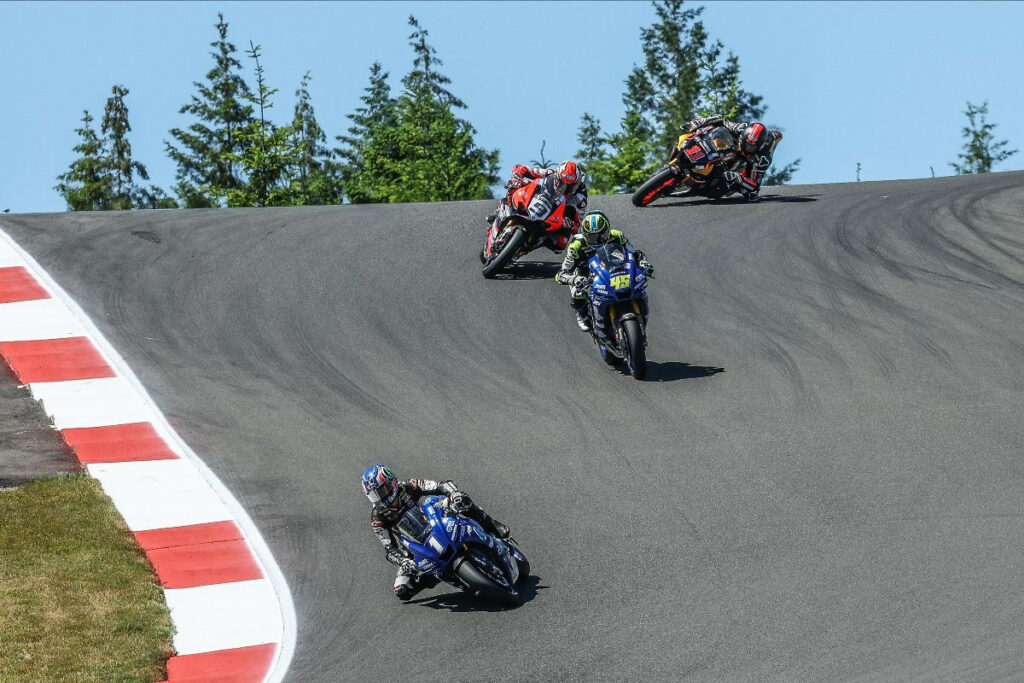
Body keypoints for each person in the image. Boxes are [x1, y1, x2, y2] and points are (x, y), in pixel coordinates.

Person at [361, 464, 511, 601]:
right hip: (415, 547)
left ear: (391, 483)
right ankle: (442, 575)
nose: (380, 497)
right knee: (402, 590)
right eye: (374, 495)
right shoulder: (377, 517)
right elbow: (389, 548)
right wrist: (404, 561)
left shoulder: (409, 486)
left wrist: (453, 494)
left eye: (381, 491)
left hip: (434, 521)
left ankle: (492, 525)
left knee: (462, 499)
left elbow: (439, 486)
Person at [554, 210, 653, 332]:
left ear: (608, 230)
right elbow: (561, 274)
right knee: (578, 293)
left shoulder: (617, 235)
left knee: (638, 282)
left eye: (602, 235)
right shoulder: (576, 245)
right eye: (592, 237)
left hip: (613, 267)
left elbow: (635, 253)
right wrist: (575, 279)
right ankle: (582, 314)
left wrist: (643, 263)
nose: (598, 240)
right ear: (584, 234)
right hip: (585, 273)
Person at [485, 160, 588, 252]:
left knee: (562, 243)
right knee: (519, 184)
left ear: (577, 183)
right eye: (561, 183)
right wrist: (517, 177)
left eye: (569, 186)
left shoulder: (581, 196)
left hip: (557, 217)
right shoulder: (549, 173)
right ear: (557, 175)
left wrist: (571, 224)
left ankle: (537, 241)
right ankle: (499, 210)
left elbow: (579, 223)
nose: (564, 188)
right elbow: (522, 168)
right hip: (541, 202)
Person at [684, 114, 783, 201]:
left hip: (754, 159)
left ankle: (731, 180)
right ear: (744, 135)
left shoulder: (763, 158)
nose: (747, 147)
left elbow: (754, 190)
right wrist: (702, 121)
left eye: (751, 147)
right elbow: (721, 119)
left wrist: (738, 178)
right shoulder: (741, 128)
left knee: (747, 193)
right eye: (746, 143)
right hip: (737, 145)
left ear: (759, 146)